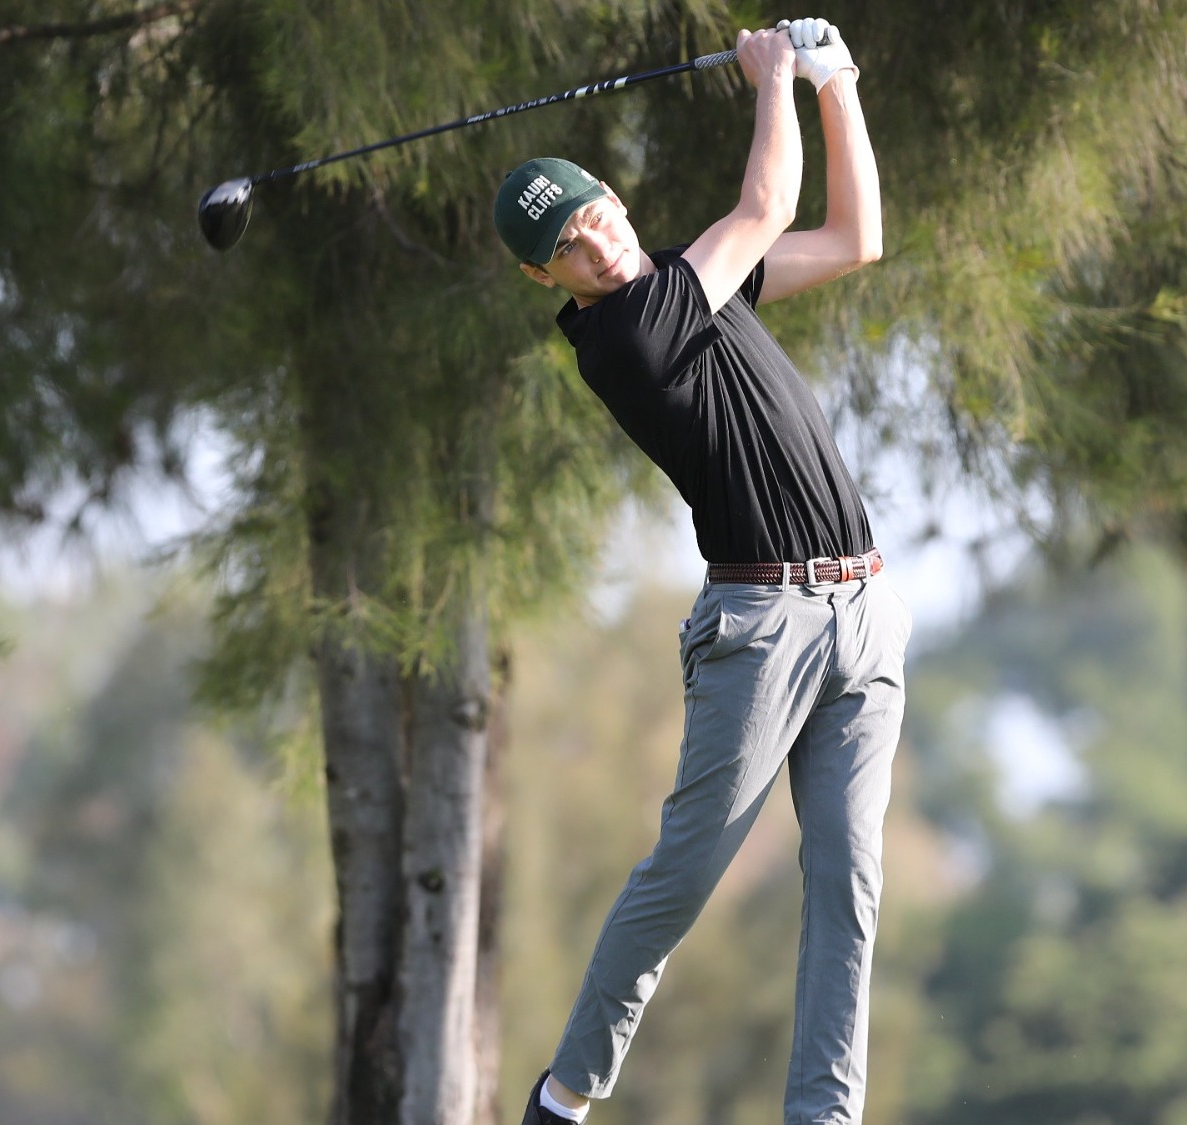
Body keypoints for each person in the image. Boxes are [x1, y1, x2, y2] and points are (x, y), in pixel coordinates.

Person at [493, 17, 906, 1125]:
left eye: (596, 219)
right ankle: (567, 1094)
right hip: (759, 627)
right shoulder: (625, 334)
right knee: (682, 876)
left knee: (847, 888)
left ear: (616, 205)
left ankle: (824, 1115)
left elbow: (852, 236)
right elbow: (765, 207)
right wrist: (771, 78)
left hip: (863, 610)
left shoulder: (689, 284)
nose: (597, 247)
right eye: (569, 249)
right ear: (549, 276)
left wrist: (835, 82)